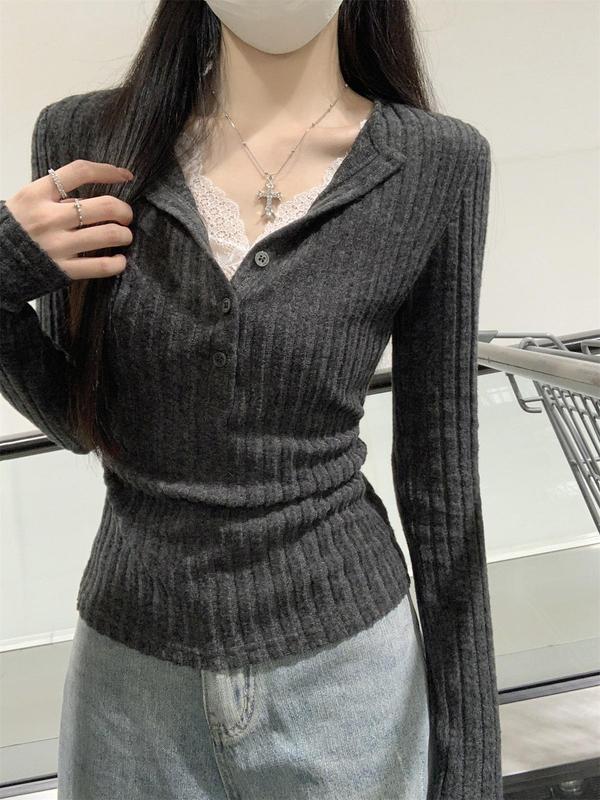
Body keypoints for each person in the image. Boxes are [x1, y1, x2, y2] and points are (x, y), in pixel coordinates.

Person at [0, 1, 502, 798]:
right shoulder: (87, 139)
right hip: (130, 682)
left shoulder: (436, 163)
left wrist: (471, 769)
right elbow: (76, 417)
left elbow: (441, 479)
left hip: (348, 681)